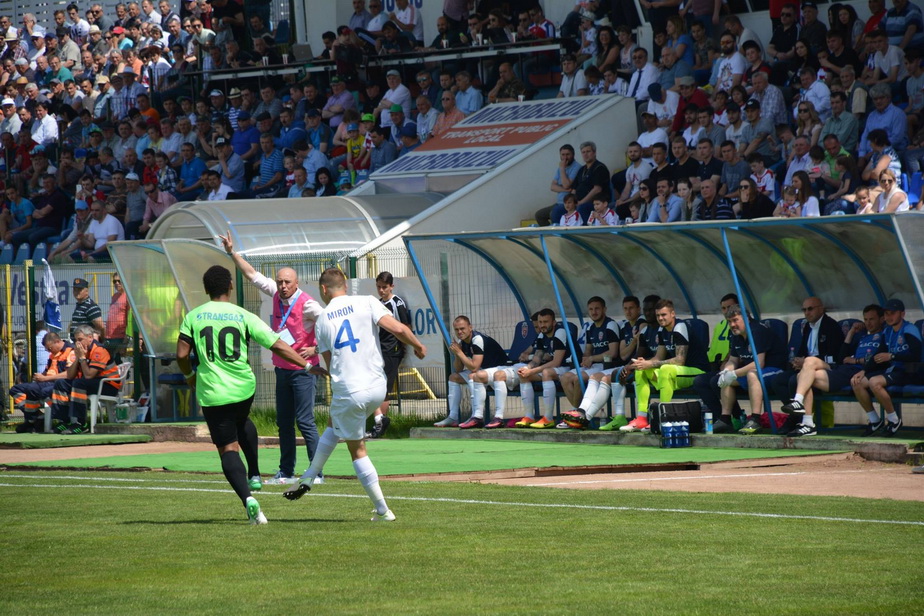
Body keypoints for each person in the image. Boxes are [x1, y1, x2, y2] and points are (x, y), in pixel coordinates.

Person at [178, 265, 326, 525]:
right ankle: (255, 473)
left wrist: (190, 376)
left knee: (227, 448)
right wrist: (307, 366)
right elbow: (278, 344)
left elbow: (181, 355)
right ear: (231, 287)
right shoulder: (242, 315)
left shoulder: (194, 316)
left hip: (213, 390)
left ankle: (248, 499)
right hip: (243, 387)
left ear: (206, 289)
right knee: (242, 420)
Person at [283, 268, 426, 522]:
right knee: (333, 422)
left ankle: (383, 511)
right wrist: (418, 346)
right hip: (377, 387)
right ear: (345, 286)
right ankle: (309, 476)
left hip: (351, 390)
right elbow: (399, 329)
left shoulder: (324, 319)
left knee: (357, 449)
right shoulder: (368, 301)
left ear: (324, 290)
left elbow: (330, 364)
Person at [220, 231, 326, 486]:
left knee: (306, 421)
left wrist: (316, 350)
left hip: (304, 370)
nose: (282, 286)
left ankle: (316, 472)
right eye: (279, 281)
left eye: (287, 282)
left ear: (296, 283)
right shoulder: (276, 295)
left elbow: (330, 325)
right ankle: (286, 471)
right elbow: (251, 275)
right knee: (284, 423)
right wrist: (231, 252)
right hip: (282, 369)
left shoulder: (309, 304)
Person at [694, 305, 787, 435]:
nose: (732, 325)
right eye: (729, 321)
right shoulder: (736, 335)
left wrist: (734, 373)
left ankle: (755, 419)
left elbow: (759, 364)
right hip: (753, 371)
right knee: (724, 380)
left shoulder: (757, 331)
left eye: (735, 320)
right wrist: (726, 372)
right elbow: (733, 360)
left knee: (751, 374)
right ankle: (726, 419)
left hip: (774, 370)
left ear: (747, 318)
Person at [622, 299, 709, 432]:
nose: (660, 318)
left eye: (664, 315)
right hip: (678, 372)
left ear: (672, 314)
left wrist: (651, 363)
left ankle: (662, 417)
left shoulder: (680, 327)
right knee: (641, 370)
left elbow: (680, 360)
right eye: (658, 316)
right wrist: (644, 363)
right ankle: (642, 418)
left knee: (665, 369)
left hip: (697, 371)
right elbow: (659, 356)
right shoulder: (662, 330)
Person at [844, 298, 921, 438]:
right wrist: (863, 371)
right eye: (886, 313)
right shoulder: (888, 332)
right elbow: (877, 355)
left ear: (902, 314)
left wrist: (892, 356)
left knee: (875, 382)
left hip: (910, 372)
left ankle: (894, 420)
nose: (889, 317)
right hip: (894, 371)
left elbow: (916, 355)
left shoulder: (910, 329)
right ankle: (874, 420)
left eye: (893, 313)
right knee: (857, 382)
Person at [434, 315, 506, 428]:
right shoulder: (462, 342)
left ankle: (476, 416)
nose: (460, 332)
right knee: (453, 377)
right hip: (483, 371)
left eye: (462, 328)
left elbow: (474, 367)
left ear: (470, 327)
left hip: (499, 370)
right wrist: (458, 354)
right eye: (457, 329)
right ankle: (453, 417)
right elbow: (458, 369)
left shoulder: (477, 339)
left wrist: (460, 353)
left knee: (473, 375)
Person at [559, 297, 620, 428]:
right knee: (564, 378)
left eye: (597, 308)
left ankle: (576, 415)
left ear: (604, 309)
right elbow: (588, 350)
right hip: (594, 364)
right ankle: (576, 414)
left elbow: (613, 352)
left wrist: (592, 358)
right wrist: (586, 359)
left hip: (607, 365)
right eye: (591, 309)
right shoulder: (590, 328)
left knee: (577, 379)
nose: (594, 312)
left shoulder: (610, 325)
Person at [49, 323, 120, 433]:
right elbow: (70, 375)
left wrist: (82, 358)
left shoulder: (99, 350)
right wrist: (78, 358)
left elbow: (89, 375)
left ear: (90, 337)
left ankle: (81, 423)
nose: (78, 343)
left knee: (79, 383)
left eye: (80, 339)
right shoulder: (82, 350)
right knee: (61, 383)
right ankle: (63, 421)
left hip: (109, 385)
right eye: (76, 340)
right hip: (93, 382)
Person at [368, 271, 411, 439]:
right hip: (379, 350)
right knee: (375, 385)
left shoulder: (397, 303)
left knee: (385, 387)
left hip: (392, 350)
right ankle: (378, 421)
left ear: (391, 286)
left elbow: (405, 326)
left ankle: (380, 426)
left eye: (384, 287)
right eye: (378, 287)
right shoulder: (378, 303)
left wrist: (406, 346)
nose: (381, 291)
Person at [11, 332, 75, 433]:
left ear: (57, 342)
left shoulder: (70, 351)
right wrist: (40, 377)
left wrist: (45, 379)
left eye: (49, 348)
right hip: (47, 381)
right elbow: (47, 371)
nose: (48, 350)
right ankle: (36, 415)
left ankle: (31, 420)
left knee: (33, 389)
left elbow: (68, 374)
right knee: (15, 389)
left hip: (59, 383)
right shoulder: (52, 355)